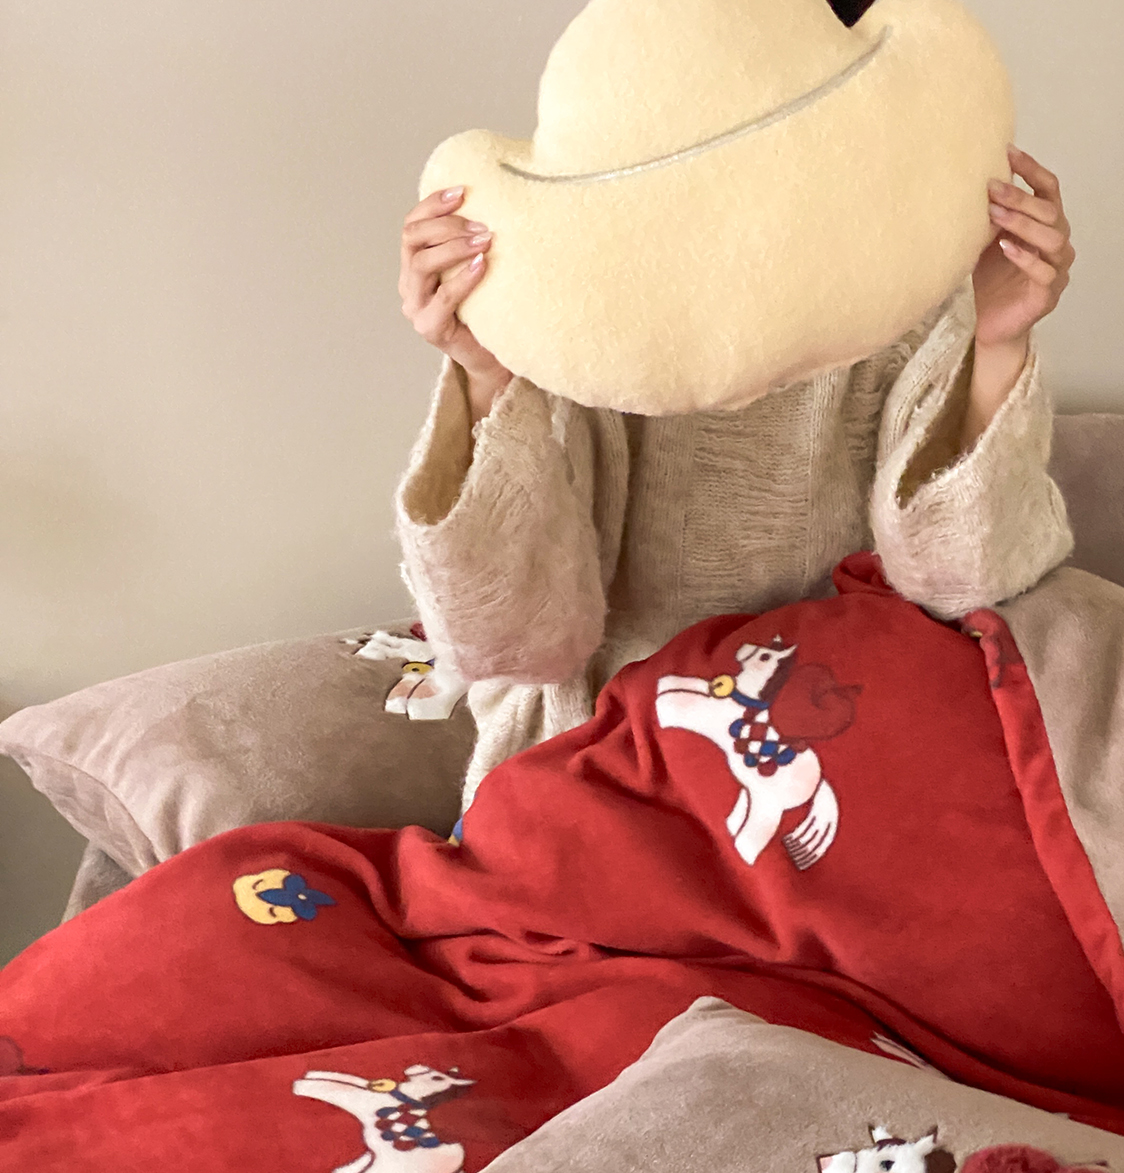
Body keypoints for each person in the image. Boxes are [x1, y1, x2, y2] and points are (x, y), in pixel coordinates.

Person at [394, 145, 1076, 826]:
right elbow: (505, 642)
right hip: (591, 766)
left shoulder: (906, 286)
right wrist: (486, 375)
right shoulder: (565, 300)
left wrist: (997, 341)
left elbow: (962, 580)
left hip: (843, 737)